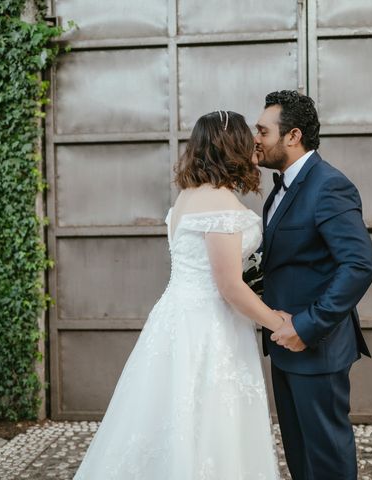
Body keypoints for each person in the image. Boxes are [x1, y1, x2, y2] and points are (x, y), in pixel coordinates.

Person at [73, 110, 283, 479]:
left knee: (169, 417)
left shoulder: (187, 198)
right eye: (247, 137)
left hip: (176, 317)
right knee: (209, 423)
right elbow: (230, 286)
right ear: (230, 146)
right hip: (209, 328)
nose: (254, 142)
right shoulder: (219, 205)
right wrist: (277, 322)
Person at [255, 90, 372, 480]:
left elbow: (360, 264)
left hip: (316, 345)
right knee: (300, 458)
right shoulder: (279, 189)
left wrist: (306, 326)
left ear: (292, 136)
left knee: (326, 460)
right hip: (284, 345)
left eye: (262, 130)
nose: (254, 138)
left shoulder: (328, 185)